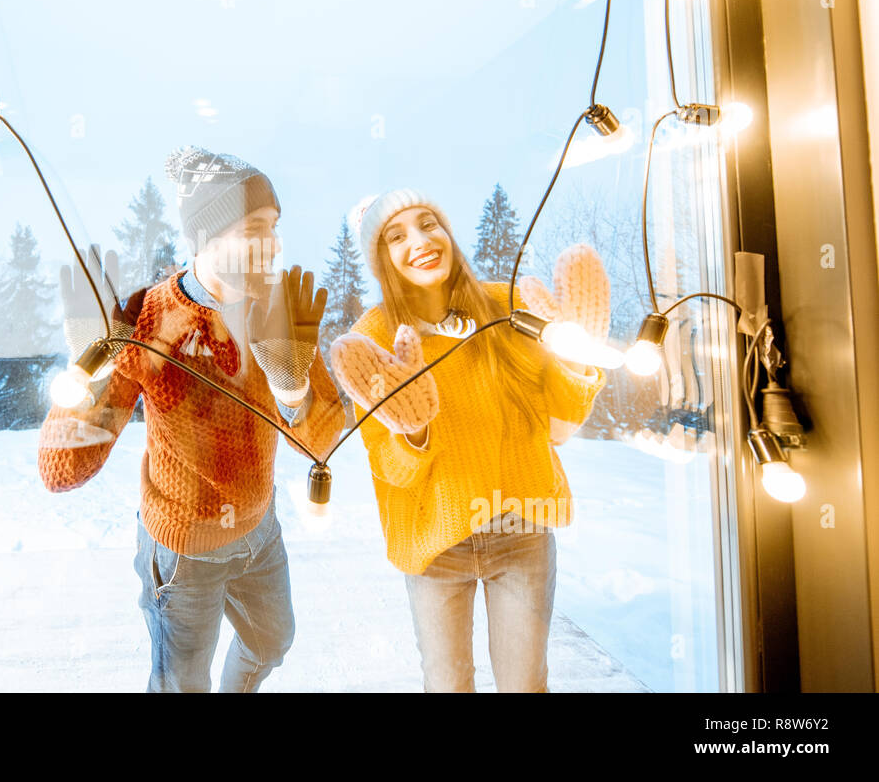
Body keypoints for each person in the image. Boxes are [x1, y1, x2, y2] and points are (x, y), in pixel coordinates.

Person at [38, 146, 345, 692]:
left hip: (260, 531)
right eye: (254, 226)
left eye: (275, 225)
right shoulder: (149, 319)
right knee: (182, 683)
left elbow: (322, 443)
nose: (272, 244)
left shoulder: (276, 311)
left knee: (272, 641)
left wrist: (290, 382)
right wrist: (88, 363)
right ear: (207, 235)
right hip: (184, 550)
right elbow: (63, 471)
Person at [328, 188, 608, 692]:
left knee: (525, 684)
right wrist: (412, 426)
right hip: (436, 543)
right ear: (381, 260)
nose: (420, 239)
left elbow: (562, 420)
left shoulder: (509, 308)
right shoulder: (373, 339)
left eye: (429, 222)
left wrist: (580, 358)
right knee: (448, 684)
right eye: (397, 235)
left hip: (521, 528)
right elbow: (389, 467)